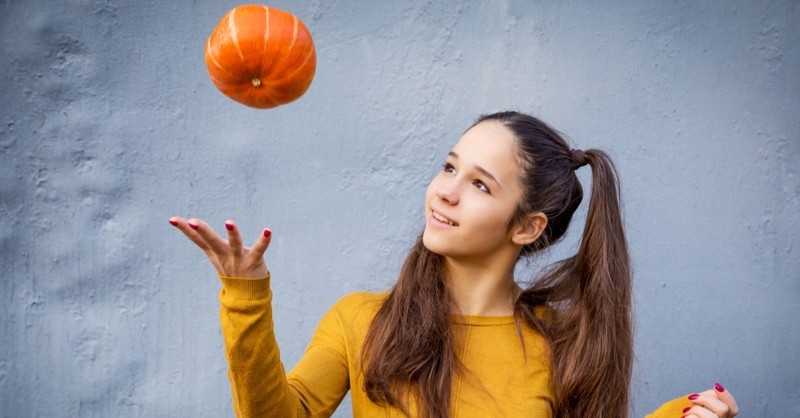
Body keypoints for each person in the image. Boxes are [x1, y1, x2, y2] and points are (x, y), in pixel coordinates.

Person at [170, 111, 739, 418]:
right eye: (448, 167)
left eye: (479, 184)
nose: (445, 192)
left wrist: (686, 416)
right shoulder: (359, 322)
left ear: (526, 227)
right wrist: (245, 295)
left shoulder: (563, 342)